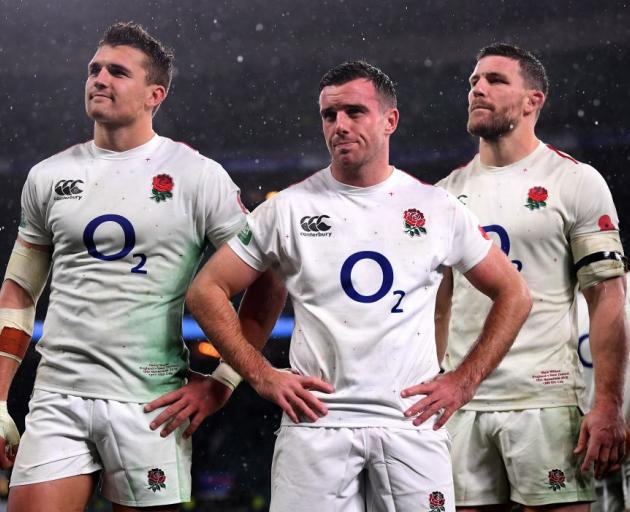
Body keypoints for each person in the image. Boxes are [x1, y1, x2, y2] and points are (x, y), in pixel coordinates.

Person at [159, 60, 531, 511]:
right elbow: (206, 291)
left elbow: (515, 294)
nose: (339, 126)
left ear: (390, 120)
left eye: (355, 112)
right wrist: (260, 376)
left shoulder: (437, 208)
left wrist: (463, 382)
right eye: (329, 115)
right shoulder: (289, 209)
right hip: (315, 427)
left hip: (409, 424)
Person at [0, 21, 284, 511]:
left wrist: (223, 381)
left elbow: (268, 279)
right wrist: (0, 396)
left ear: (156, 93)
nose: (99, 79)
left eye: (116, 71)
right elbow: (19, 290)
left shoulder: (198, 177)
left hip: (150, 404)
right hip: (57, 397)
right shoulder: (48, 176)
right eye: (94, 69)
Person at [436, 42, 628, 512]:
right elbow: (438, 306)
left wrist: (608, 404)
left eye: (495, 80)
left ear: (532, 101)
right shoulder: (444, 195)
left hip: (543, 399)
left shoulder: (576, 182)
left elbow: (607, 297)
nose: (477, 89)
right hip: (463, 406)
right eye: (473, 82)